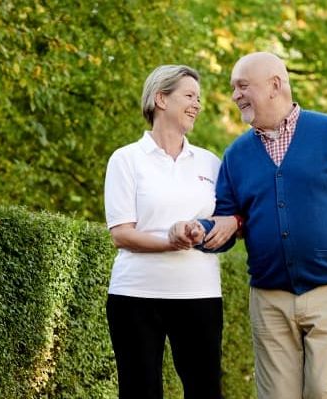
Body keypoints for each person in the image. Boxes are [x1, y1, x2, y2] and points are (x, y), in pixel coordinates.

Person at [171, 52, 327, 399]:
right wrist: (200, 230)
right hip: (269, 297)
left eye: (242, 86)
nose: (235, 95)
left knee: (325, 392)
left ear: (275, 85)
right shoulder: (236, 154)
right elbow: (228, 220)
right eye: (233, 88)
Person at [104, 65, 236, 399]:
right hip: (136, 296)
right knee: (139, 391)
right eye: (189, 96)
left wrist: (206, 230)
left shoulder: (210, 162)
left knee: (205, 391)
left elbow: (227, 224)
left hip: (199, 294)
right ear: (161, 99)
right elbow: (121, 234)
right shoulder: (126, 159)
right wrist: (170, 241)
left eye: (198, 98)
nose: (197, 104)